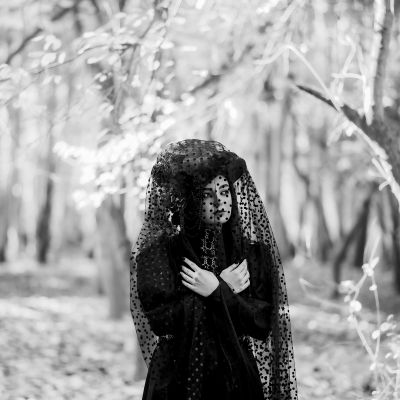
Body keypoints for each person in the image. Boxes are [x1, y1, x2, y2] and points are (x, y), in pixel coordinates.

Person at [130, 139, 298, 400]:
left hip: (235, 378)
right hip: (176, 380)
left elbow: (261, 323)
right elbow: (162, 323)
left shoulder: (253, 256)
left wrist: (218, 290)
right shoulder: (158, 256)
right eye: (207, 195)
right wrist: (221, 288)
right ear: (188, 201)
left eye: (224, 191)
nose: (220, 202)